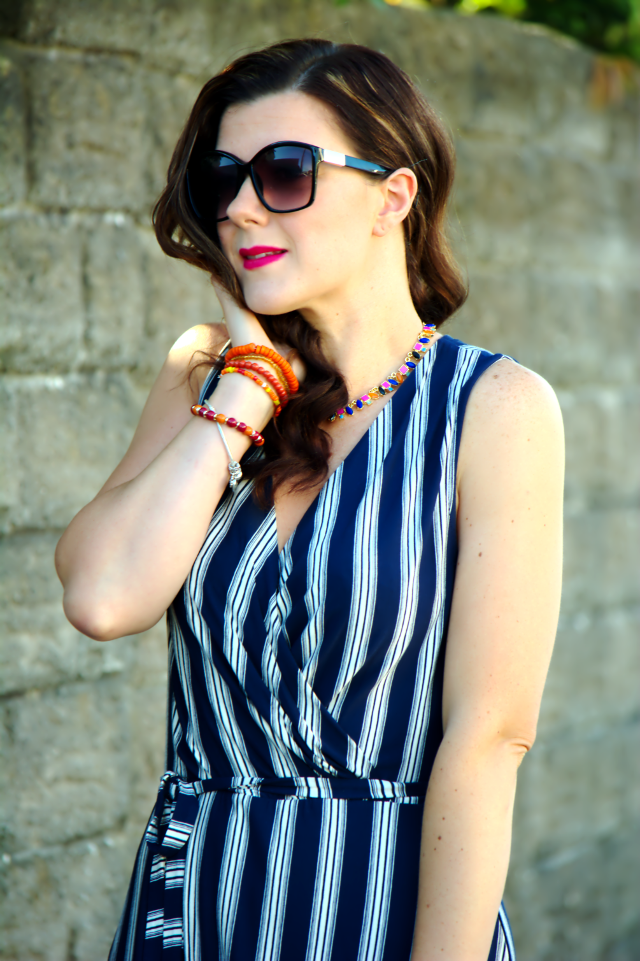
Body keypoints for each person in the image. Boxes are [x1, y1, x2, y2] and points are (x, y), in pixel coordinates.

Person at [55, 38, 564, 961]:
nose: (241, 206)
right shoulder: (205, 375)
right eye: (224, 178)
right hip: (192, 910)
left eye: (285, 172)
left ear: (393, 197)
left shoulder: (494, 410)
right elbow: (101, 596)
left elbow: (488, 740)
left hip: (386, 910)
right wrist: (247, 389)